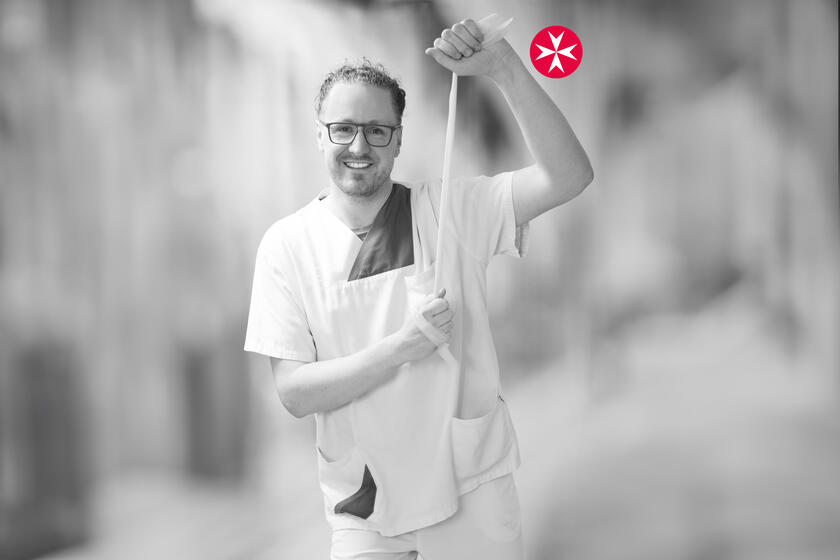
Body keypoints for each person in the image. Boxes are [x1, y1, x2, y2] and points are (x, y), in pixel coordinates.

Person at [245, 17, 592, 560]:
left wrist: (504, 68)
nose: (359, 145)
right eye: (342, 128)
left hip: (470, 486)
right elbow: (294, 392)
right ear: (319, 134)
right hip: (365, 503)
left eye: (377, 130)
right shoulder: (286, 246)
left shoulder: (453, 211)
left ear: (399, 139)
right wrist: (399, 348)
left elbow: (568, 176)